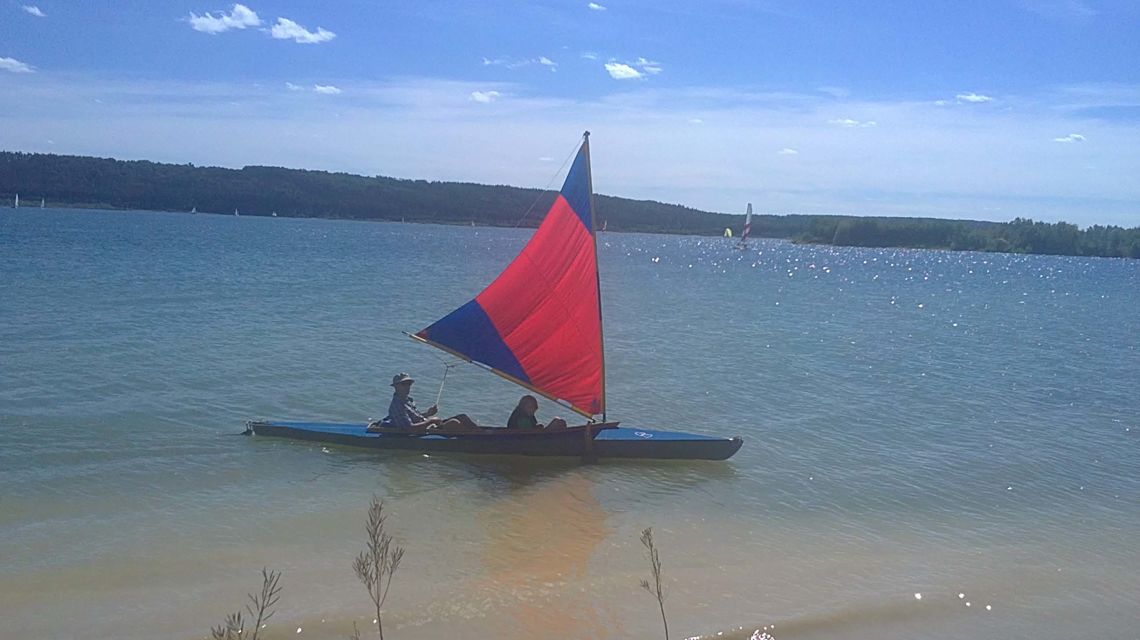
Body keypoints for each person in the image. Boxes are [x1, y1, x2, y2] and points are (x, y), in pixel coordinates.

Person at [368, 373, 477, 432]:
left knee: (463, 417)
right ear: (396, 387)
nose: (407, 387)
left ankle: (480, 434)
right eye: (404, 384)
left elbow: (416, 418)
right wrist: (430, 421)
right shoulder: (397, 405)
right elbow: (410, 428)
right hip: (426, 430)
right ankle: (476, 439)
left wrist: (428, 414)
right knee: (454, 423)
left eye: (409, 384)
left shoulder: (407, 400)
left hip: (430, 425)